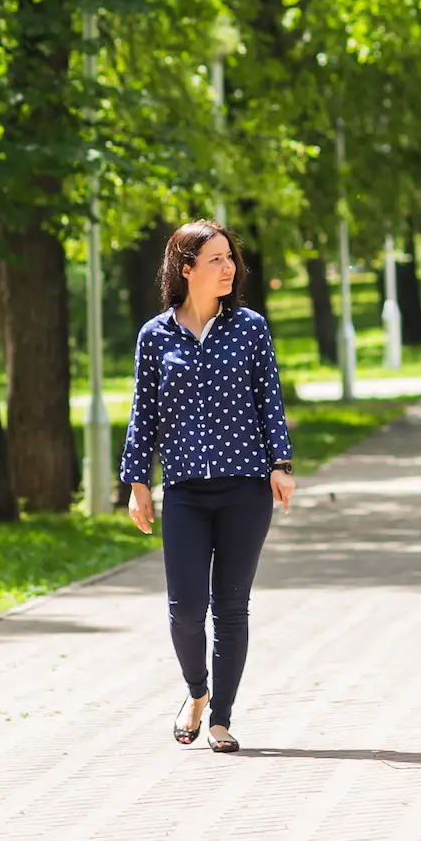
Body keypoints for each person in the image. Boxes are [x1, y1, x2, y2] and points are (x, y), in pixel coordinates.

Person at [119, 221, 296, 754]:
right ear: (186, 268)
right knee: (186, 608)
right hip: (186, 493)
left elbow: (270, 397)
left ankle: (220, 718)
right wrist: (136, 481)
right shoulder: (155, 336)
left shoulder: (249, 327)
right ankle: (197, 692)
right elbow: (142, 413)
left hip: (245, 486)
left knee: (232, 606)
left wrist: (280, 464)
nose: (229, 268)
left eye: (231, 258)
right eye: (216, 259)